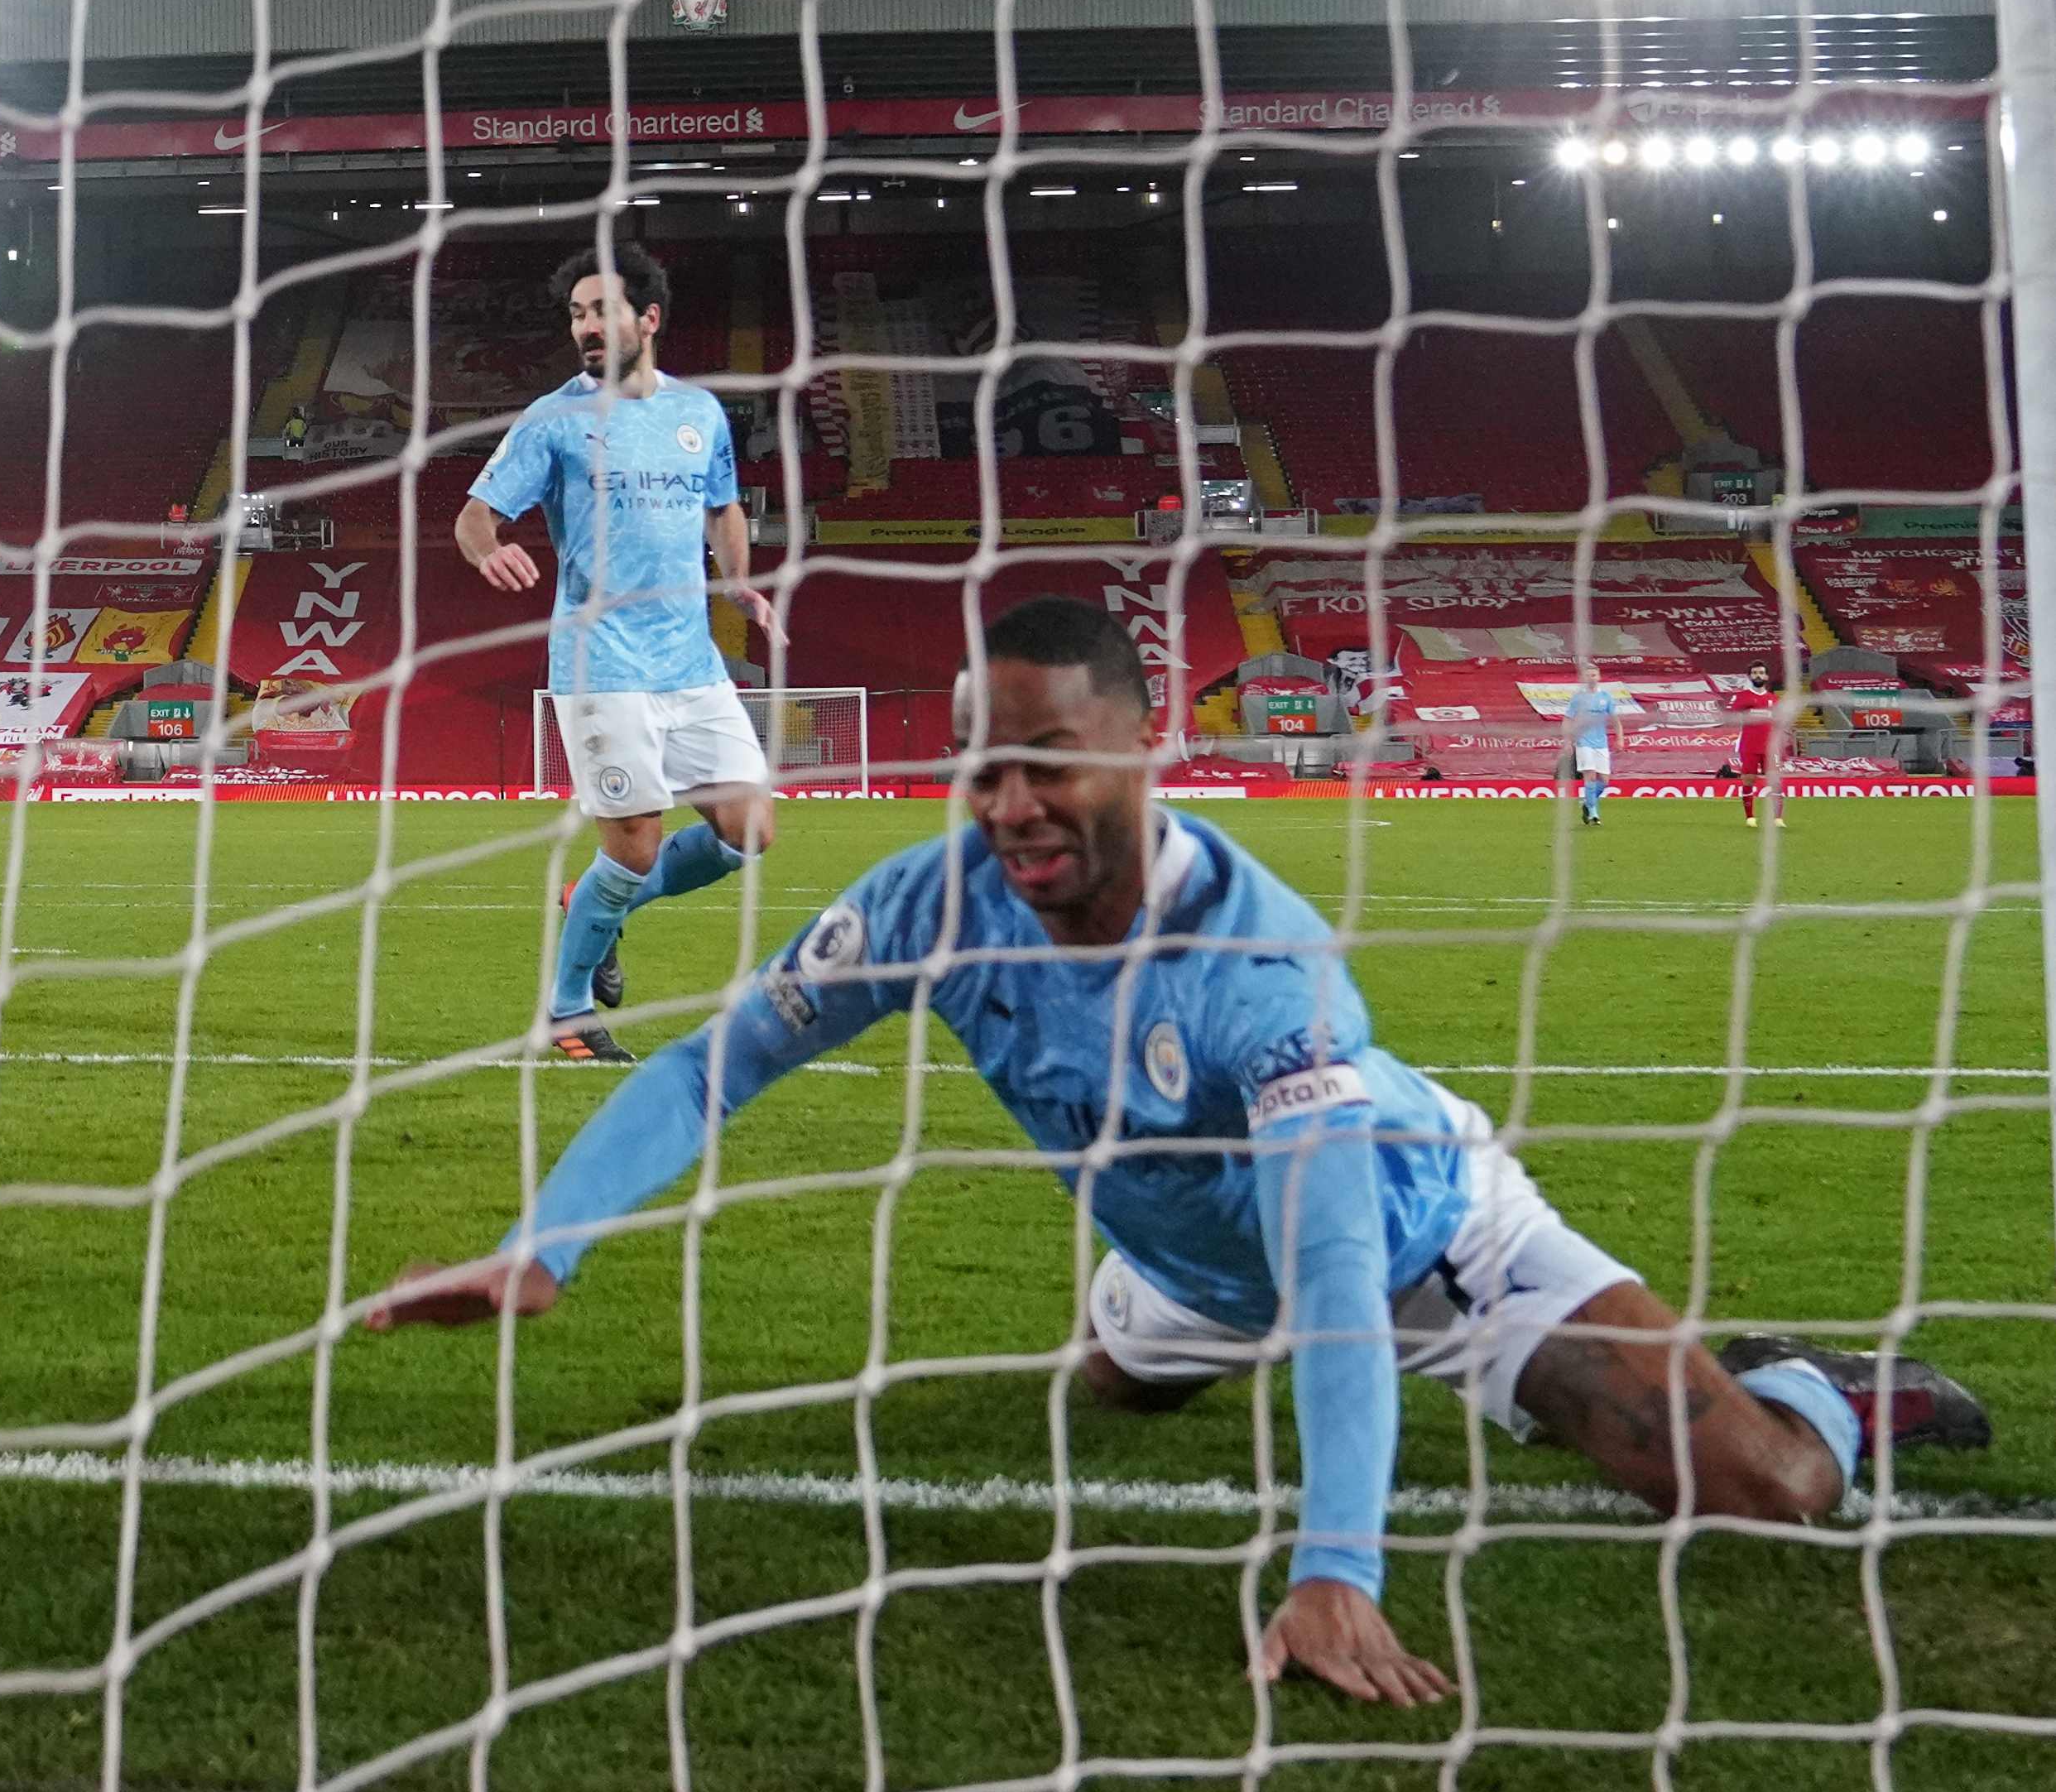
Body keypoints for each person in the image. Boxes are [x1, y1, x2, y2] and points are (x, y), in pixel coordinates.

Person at [370, 598, 1989, 1707]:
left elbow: (1345, 1282)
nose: (1011, 800)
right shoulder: (933, 903)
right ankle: (1157, 1317)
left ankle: (1829, 1387)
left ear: (1145, 749)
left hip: (1430, 1251)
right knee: (1107, 1395)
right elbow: (726, 1059)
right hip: (1184, 1266)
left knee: (1768, 1498)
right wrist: (549, 1239)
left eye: (1050, 757)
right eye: (984, 761)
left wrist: (1336, 1564)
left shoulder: (1254, 970)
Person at [454, 243, 774, 1064]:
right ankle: (567, 1012)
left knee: (750, 829)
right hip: (601, 661)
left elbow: (725, 507)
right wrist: (488, 550)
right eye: (578, 315)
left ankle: (597, 905)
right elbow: (475, 514)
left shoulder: (699, 412)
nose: (589, 327)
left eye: (602, 311)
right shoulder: (553, 418)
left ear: (650, 319)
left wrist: (739, 582)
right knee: (632, 840)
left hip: (691, 662)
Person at [1722, 664, 1782, 829]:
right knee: (1749, 779)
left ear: (1767, 677)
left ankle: (1778, 819)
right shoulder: (1742, 696)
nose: (1758, 675)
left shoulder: (1774, 699)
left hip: (1770, 746)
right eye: (1755, 673)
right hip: (1749, 744)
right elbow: (1731, 715)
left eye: (1761, 673)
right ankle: (1750, 817)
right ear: (1749, 676)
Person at [1564, 670, 1618, 827]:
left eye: (1594, 675)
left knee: (1605, 781)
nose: (1591, 678)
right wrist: (1568, 741)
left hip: (1601, 744)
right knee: (1591, 777)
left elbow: (1615, 720)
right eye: (1588, 675)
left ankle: (1587, 802)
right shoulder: (1579, 698)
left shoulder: (1605, 697)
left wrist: (1620, 737)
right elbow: (1567, 719)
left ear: (1599, 677)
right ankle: (1594, 813)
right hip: (1583, 742)